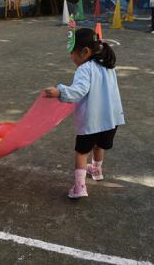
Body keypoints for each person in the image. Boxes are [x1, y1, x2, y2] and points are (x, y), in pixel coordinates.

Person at [44, 28, 125, 199]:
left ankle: (80, 187)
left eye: (72, 53)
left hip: (91, 121)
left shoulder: (85, 69)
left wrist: (59, 92)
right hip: (111, 120)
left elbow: (78, 91)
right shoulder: (107, 66)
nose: (70, 57)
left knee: (82, 153)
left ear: (85, 52)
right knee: (99, 145)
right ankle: (96, 170)